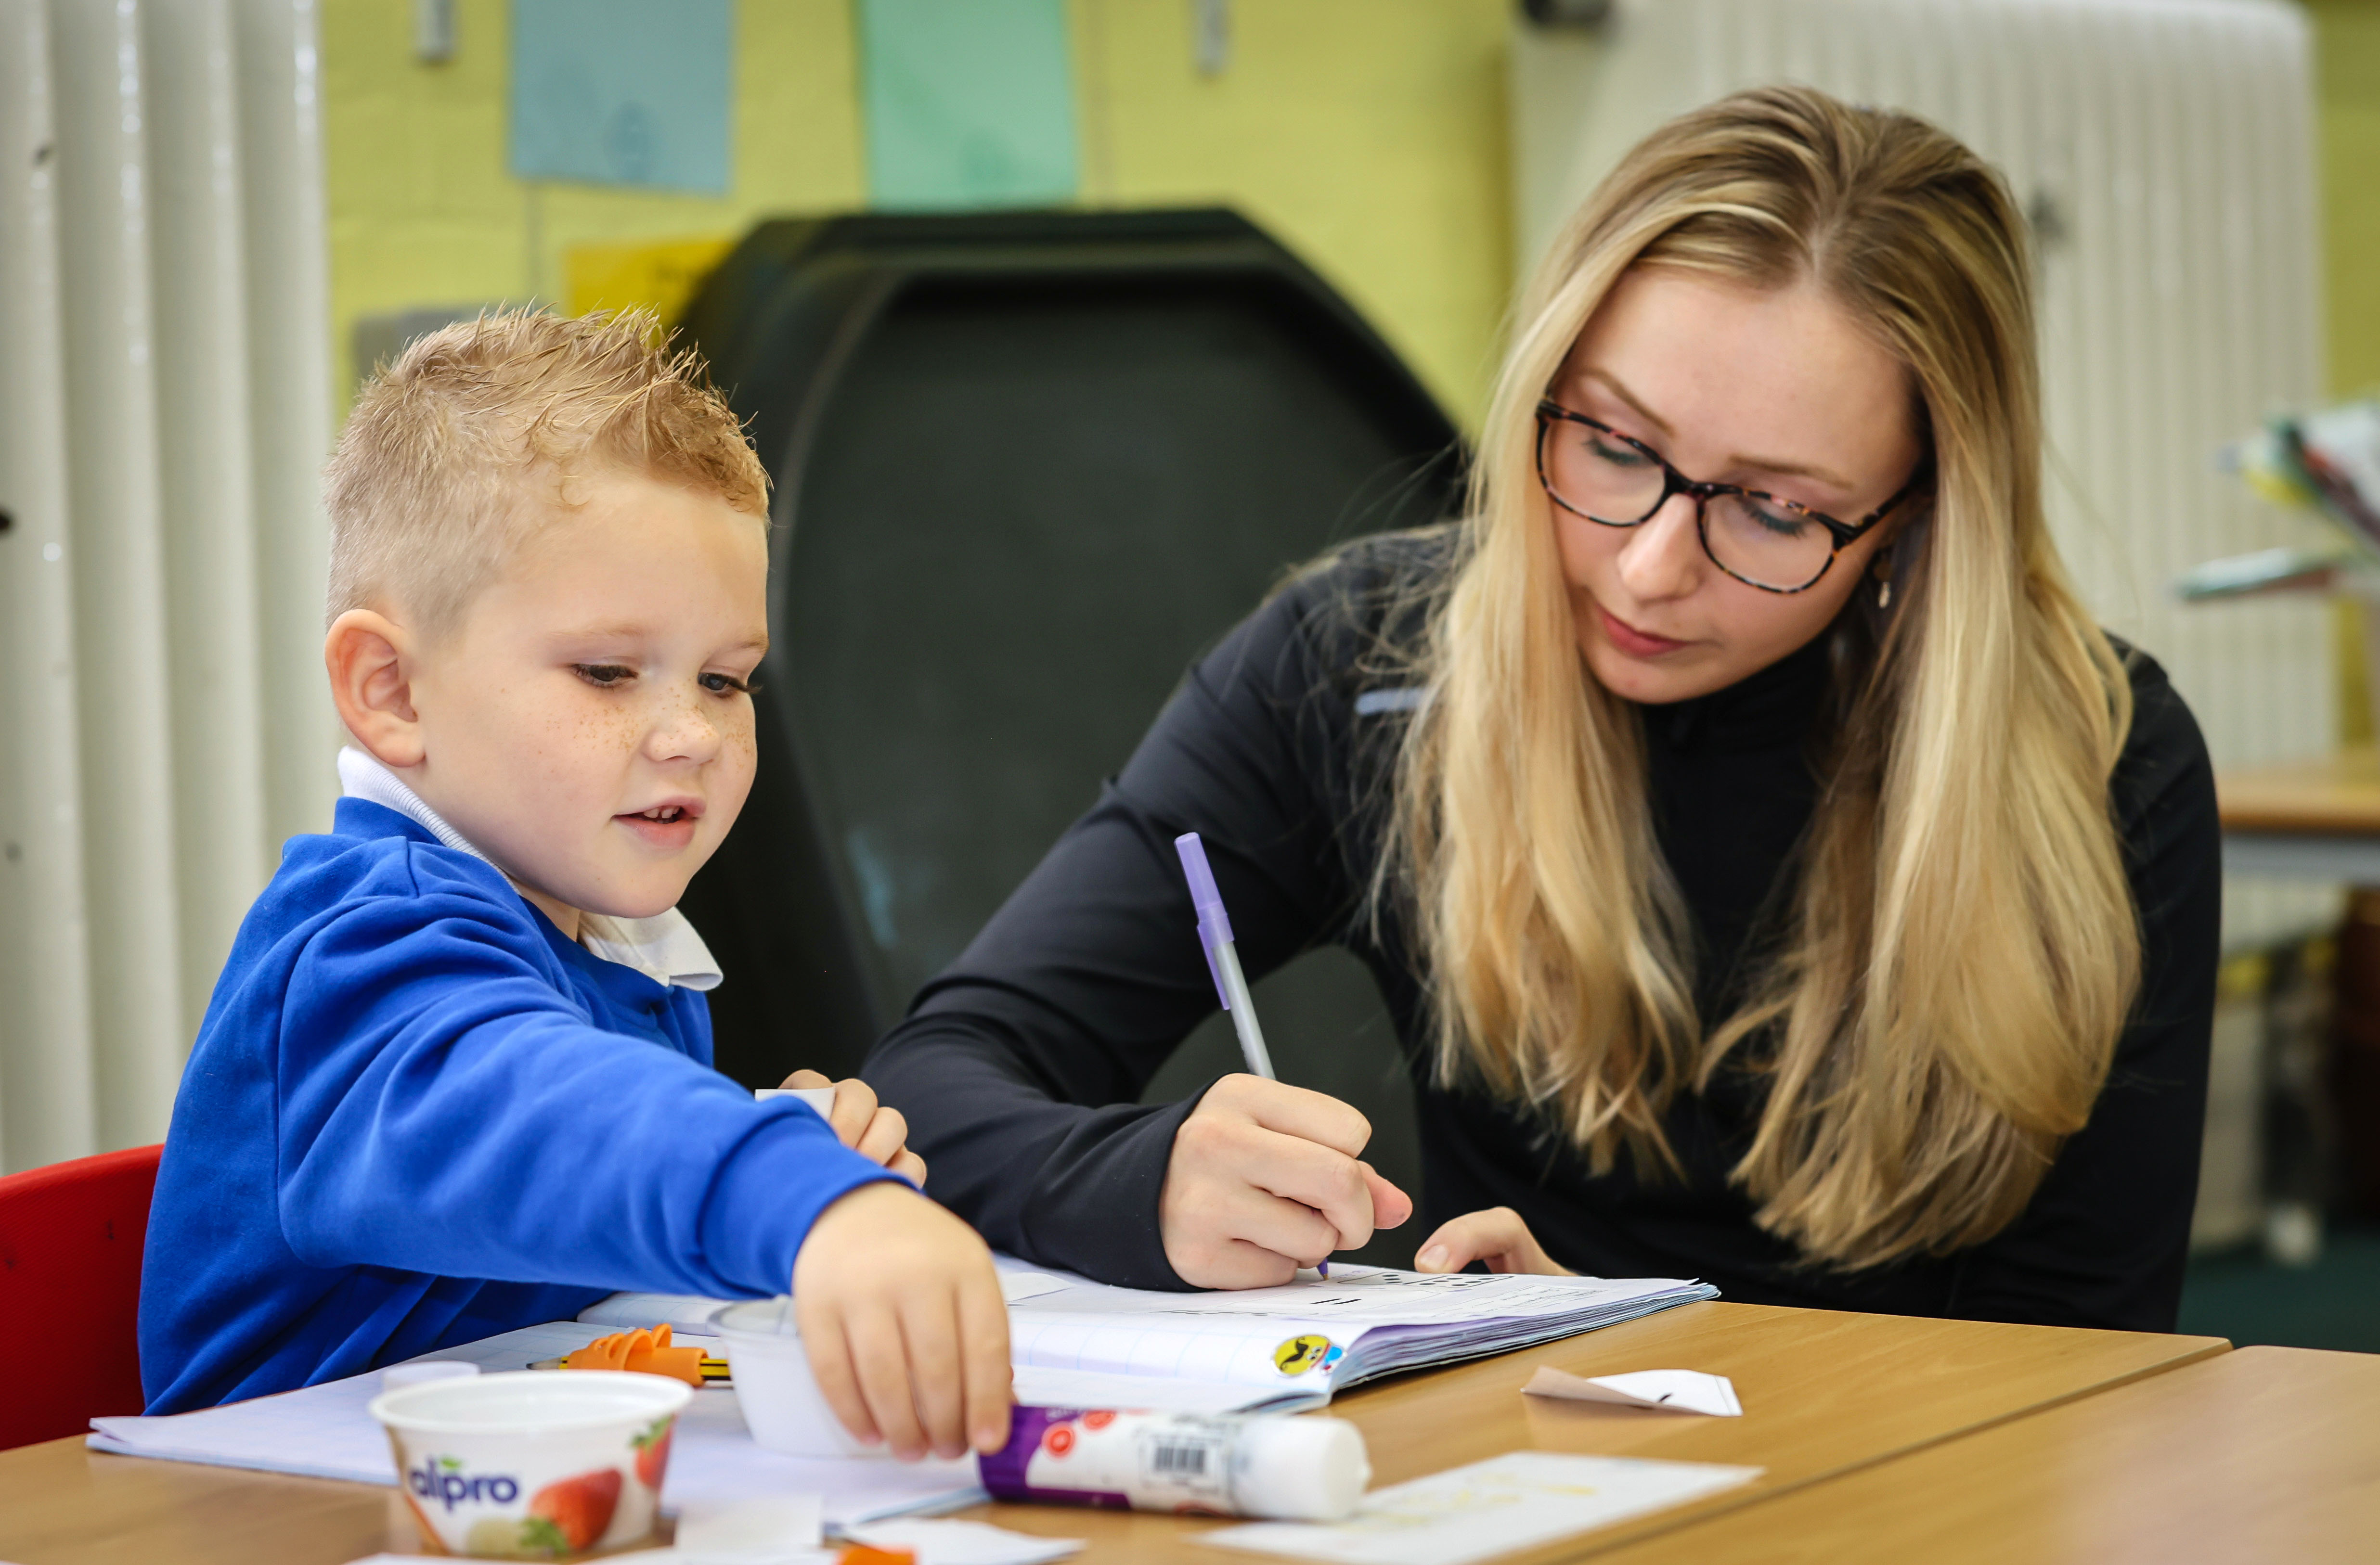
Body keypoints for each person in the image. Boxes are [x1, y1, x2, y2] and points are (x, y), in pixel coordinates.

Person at [866, 87, 2220, 1331]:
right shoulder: (1362, 661)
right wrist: (1141, 1179)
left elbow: (2077, 1371)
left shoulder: (2096, 765)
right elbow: (937, 1071)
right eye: (1613, 443)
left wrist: (1659, 1349)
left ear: (1917, 519)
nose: (1646, 565)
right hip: (1511, 1472)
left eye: (1776, 508)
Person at [140, 310, 1011, 1461]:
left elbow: (574, 1195)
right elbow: (523, 1105)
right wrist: (791, 1192)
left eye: (725, 679)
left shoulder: (604, 932)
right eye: (608, 672)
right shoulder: (361, 944)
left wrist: (776, 1136)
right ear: (391, 692)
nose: (690, 735)